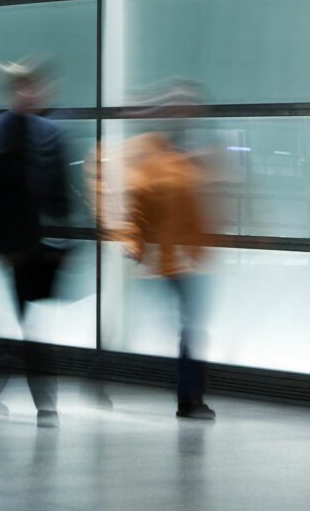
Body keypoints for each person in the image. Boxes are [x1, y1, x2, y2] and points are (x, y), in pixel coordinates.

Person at [0, 60, 70, 428]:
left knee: (28, 320)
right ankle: (44, 401)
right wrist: (5, 248)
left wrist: (64, 242)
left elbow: (61, 192)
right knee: (32, 324)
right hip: (18, 248)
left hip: (45, 245)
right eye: (25, 88)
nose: (32, 94)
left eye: (36, 88)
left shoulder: (50, 133)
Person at [117, 85, 216, 420]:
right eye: (179, 109)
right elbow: (137, 204)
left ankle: (191, 398)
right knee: (190, 327)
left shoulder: (197, 155)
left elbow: (206, 206)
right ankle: (189, 399)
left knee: (192, 327)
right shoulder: (154, 155)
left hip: (193, 260)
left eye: (189, 109)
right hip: (171, 260)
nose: (186, 115)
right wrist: (134, 242)